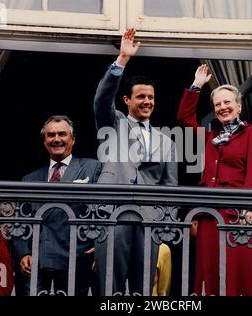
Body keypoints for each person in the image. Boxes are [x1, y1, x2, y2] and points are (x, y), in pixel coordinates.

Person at [93, 28, 178, 295]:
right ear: (127, 100)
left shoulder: (167, 141)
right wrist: (122, 60)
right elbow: (101, 99)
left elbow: (171, 188)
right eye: (141, 97)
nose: (147, 101)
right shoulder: (114, 123)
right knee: (110, 286)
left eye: (151, 97)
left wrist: (164, 229)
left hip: (148, 222)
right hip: (113, 217)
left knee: (145, 287)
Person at [177, 64, 252, 296]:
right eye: (217, 104)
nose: (222, 107)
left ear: (239, 106)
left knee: (240, 278)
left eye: (227, 102)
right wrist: (196, 86)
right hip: (209, 217)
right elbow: (185, 118)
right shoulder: (210, 138)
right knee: (212, 279)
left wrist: (248, 209)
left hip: (240, 216)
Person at [12, 115, 102, 296]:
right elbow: (19, 221)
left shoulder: (92, 168)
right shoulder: (30, 179)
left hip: (79, 258)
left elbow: (106, 210)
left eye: (62, 134)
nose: (57, 139)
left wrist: (101, 245)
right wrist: (23, 253)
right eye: (51, 135)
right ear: (45, 142)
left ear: (73, 139)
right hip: (38, 261)